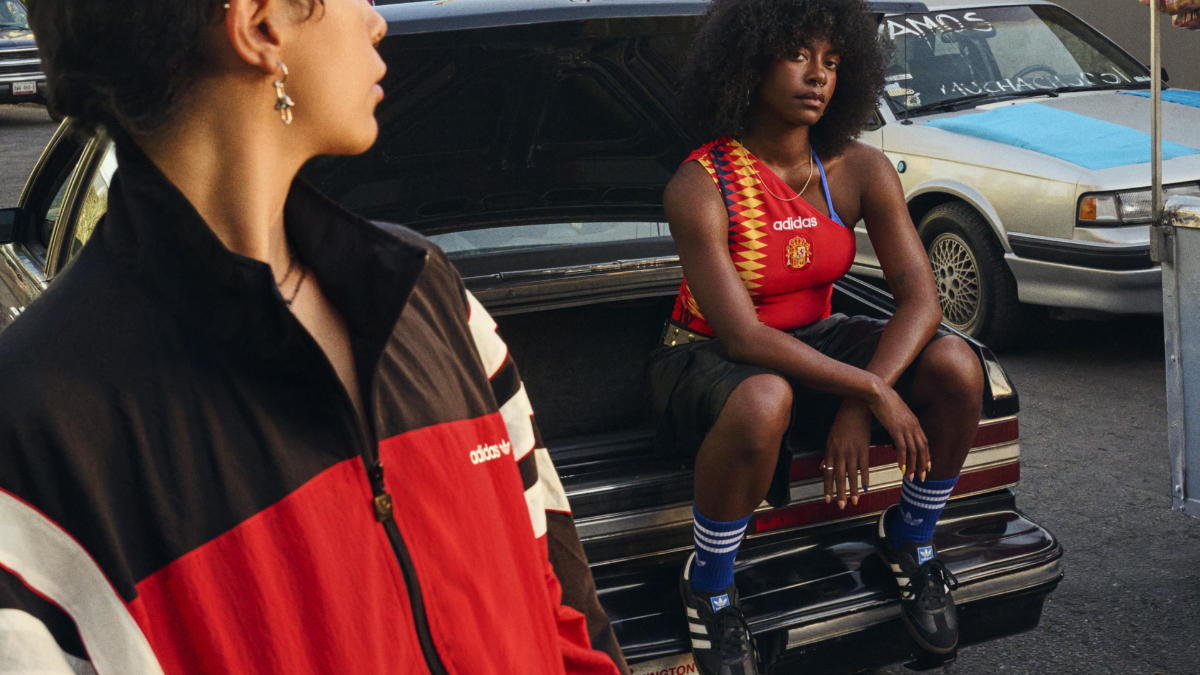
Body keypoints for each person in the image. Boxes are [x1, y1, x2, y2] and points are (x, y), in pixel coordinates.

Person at [0, 1, 625, 674]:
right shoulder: (36, 443)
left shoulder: (432, 298)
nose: (377, 21)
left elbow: (563, 618)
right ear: (259, 27)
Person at [649, 0, 986, 672]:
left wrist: (863, 400)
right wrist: (865, 385)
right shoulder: (701, 182)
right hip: (706, 355)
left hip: (817, 343)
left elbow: (922, 300)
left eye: (833, 61)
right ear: (750, 59)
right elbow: (742, 336)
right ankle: (710, 586)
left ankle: (911, 541)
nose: (819, 75)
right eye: (799, 54)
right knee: (765, 397)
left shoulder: (860, 168)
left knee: (956, 362)